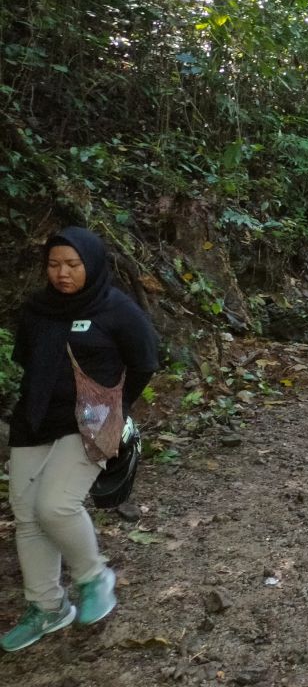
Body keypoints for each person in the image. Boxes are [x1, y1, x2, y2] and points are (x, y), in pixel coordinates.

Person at [3, 227, 159, 652]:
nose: (62, 273)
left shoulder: (116, 309)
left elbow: (145, 361)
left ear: (90, 265)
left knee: (55, 505)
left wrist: (117, 409)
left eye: (72, 265)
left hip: (90, 423)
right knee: (28, 515)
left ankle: (94, 577)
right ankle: (47, 607)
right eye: (54, 265)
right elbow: (26, 361)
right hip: (34, 421)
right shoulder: (37, 310)